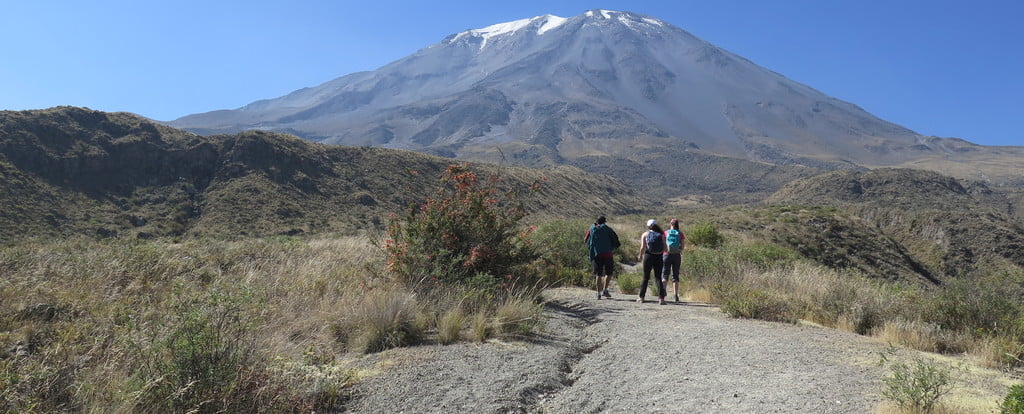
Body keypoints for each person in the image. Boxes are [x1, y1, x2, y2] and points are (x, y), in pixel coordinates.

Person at [585, 216, 620, 300]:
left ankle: (598, 293)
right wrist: (611, 247)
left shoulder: (592, 228)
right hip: (608, 254)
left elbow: (586, 239)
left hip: (597, 254)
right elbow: (615, 239)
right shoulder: (607, 229)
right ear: (604, 222)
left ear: (596, 222)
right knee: (608, 273)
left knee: (598, 274)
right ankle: (605, 290)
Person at [636, 219, 667, 305]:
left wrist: (640, 256)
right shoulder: (661, 234)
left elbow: (642, 247)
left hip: (648, 256)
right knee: (658, 277)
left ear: (648, 226)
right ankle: (661, 298)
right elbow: (665, 248)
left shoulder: (645, 234)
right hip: (659, 257)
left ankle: (641, 297)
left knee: (646, 277)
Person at [662, 218, 686, 302]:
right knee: (675, 275)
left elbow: (663, 244)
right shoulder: (680, 233)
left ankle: (663, 292)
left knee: (665, 274)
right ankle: (675, 295)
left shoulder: (665, 233)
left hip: (666, 255)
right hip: (676, 255)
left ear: (670, 224)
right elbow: (683, 246)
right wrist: (679, 250)